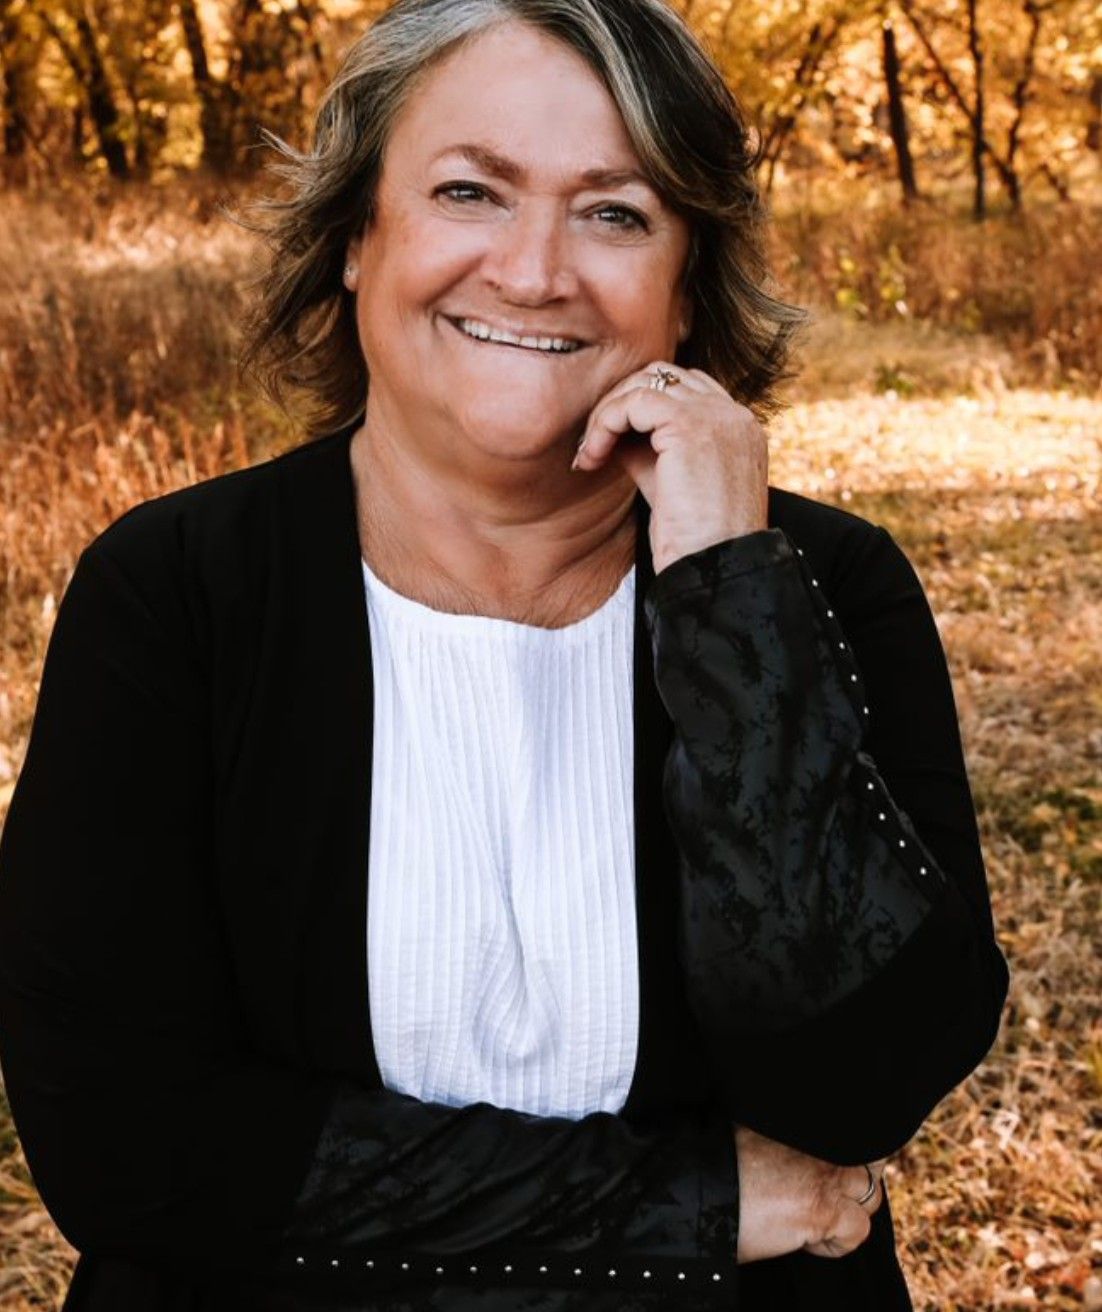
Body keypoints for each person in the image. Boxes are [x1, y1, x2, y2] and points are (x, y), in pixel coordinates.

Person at [0, 0, 1008, 1308]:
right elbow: (128, 1145)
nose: (533, 272)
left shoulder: (818, 585)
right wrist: (696, 1204)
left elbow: (864, 1080)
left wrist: (726, 595)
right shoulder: (177, 590)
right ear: (356, 238)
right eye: (469, 191)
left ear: (688, 286)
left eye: (615, 213)